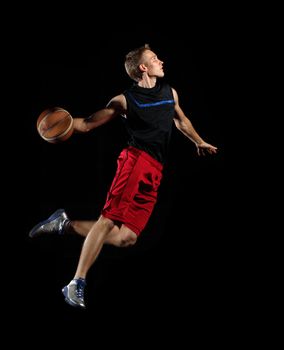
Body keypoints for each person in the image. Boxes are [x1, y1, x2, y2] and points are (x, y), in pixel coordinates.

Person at [29, 44, 218, 309]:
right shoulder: (125, 100)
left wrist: (199, 141)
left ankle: (64, 224)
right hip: (135, 162)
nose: (160, 61)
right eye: (154, 59)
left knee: (127, 237)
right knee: (107, 221)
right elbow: (88, 123)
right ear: (143, 67)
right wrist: (64, 124)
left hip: (155, 170)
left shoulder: (169, 93)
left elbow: (181, 120)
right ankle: (76, 282)